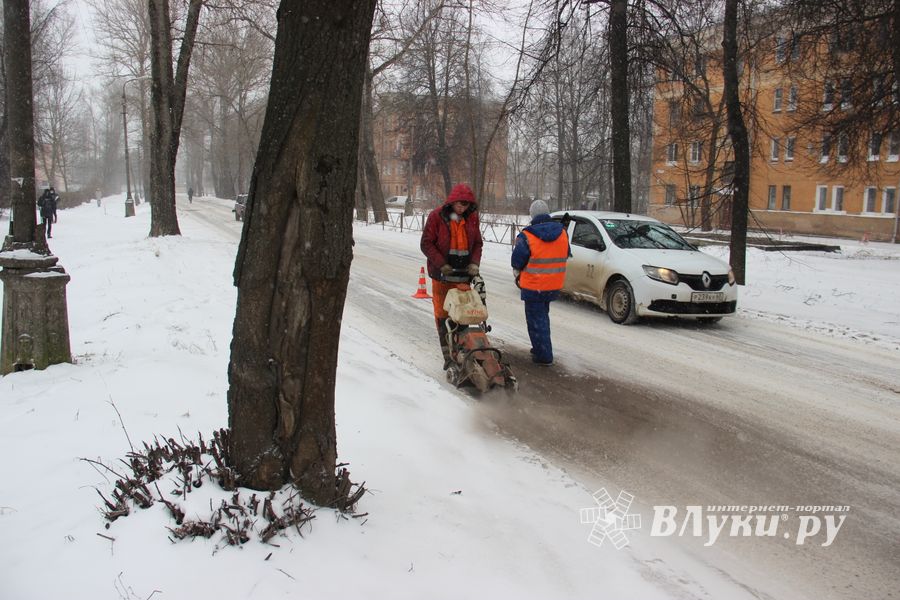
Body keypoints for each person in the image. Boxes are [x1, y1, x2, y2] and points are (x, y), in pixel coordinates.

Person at [420, 183, 484, 368]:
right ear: (451, 202)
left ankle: (463, 351)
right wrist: (442, 264)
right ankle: (448, 356)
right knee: (443, 315)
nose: (461, 208)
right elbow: (426, 244)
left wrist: (474, 263)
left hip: (463, 276)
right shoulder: (437, 217)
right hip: (442, 275)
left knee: (463, 314)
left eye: (465, 205)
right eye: (458, 205)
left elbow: (477, 243)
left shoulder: (472, 218)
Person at [511, 200, 570, 365]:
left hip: (533, 285)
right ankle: (540, 347)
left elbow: (517, 261)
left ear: (532, 215)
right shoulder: (562, 233)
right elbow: (565, 254)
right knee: (543, 317)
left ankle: (543, 356)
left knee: (536, 321)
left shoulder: (527, 236)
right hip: (553, 285)